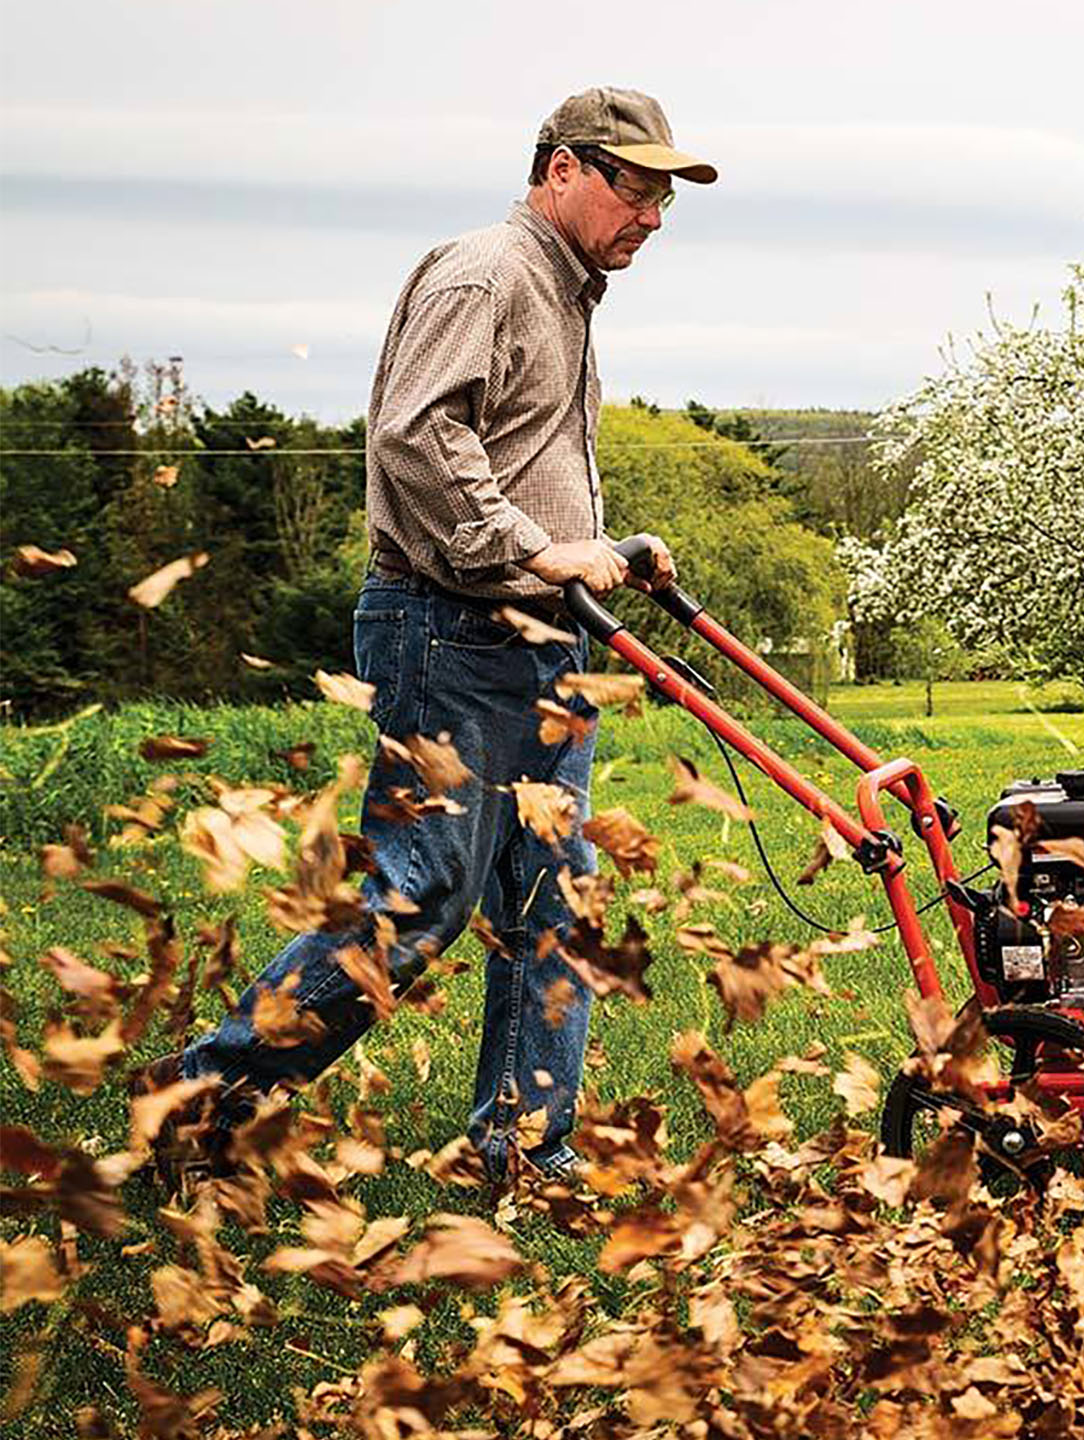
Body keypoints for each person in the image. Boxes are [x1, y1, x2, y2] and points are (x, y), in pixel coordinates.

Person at [132, 87, 717, 1192]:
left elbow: (512, 449)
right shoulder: (487, 271)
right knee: (418, 900)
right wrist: (535, 552)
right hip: (453, 634)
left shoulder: (569, 292)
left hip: (539, 640)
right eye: (633, 187)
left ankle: (521, 1152)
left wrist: (599, 544)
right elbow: (417, 433)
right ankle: (201, 1098)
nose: (651, 215)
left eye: (662, 197)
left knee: (554, 903)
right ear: (561, 171)